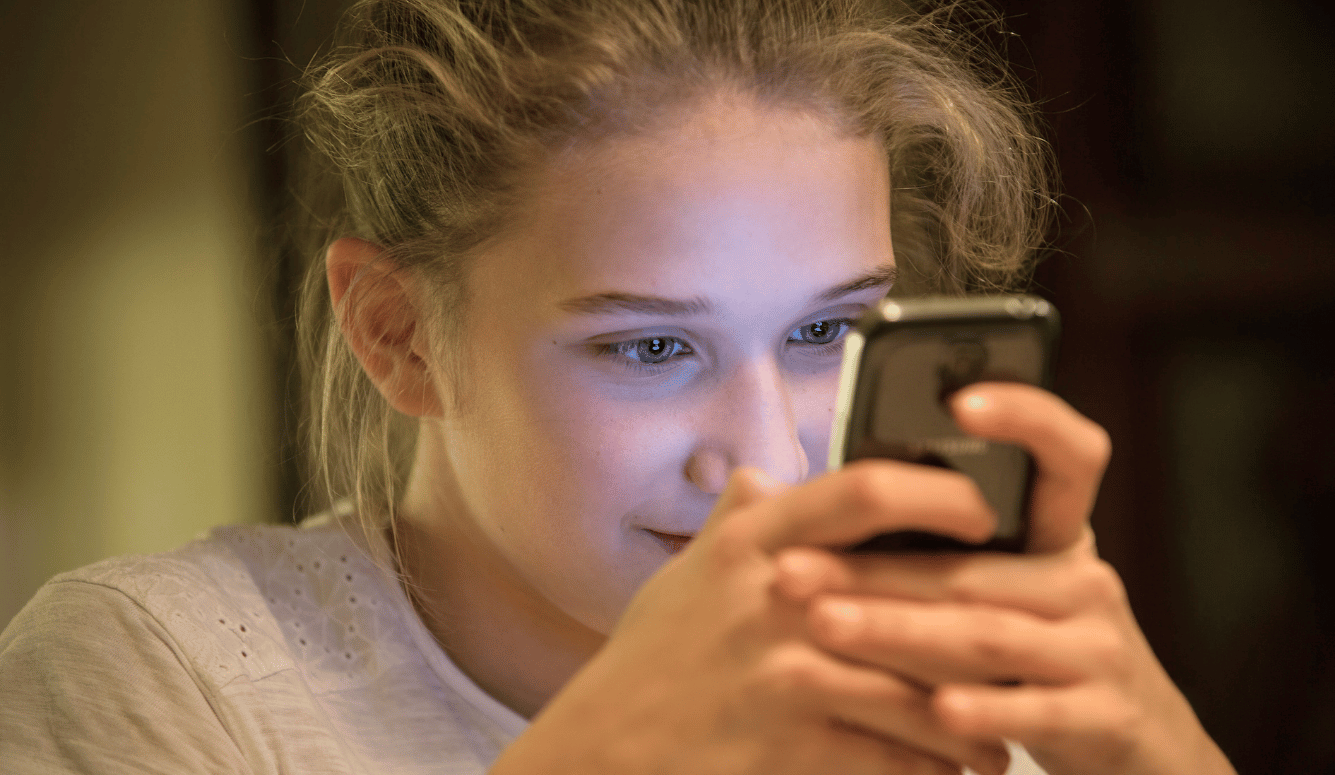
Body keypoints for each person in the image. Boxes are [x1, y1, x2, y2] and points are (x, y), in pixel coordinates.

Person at [0, 1, 1236, 773]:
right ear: (397, 334)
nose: (768, 464)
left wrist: (1156, 752)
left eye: (828, 332)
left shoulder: (928, 700)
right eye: (651, 348)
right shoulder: (159, 673)